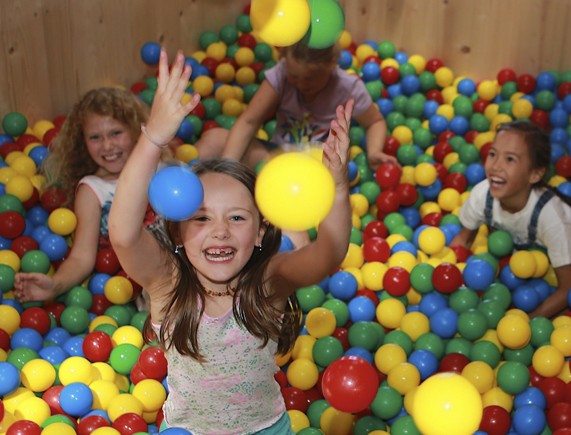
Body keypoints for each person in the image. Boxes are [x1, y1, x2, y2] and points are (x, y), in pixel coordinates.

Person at [108, 48, 352, 434]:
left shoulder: (267, 281)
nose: (219, 230)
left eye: (236, 218)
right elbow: (122, 233)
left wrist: (336, 191)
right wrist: (153, 137)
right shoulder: (169, 284)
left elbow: (328, 255)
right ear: (178, 232)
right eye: (201, 218)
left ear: (260, 231)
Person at [14, 87, 162, 303]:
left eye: (116, 133)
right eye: (95, 137)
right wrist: (54, 286)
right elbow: (82, 257)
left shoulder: (158, 168)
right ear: (82, 142)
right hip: (137, 284)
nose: (108, 146)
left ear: (136, 130)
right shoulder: (92, 190)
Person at [195, 40, 396, 171]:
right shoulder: (280, 75)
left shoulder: (348, 88)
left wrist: (374, 152)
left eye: (311, 78)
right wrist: (228, 170)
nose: (301, 84)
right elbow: (248, 121)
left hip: (320, 167)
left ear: (332, 65)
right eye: (294, 76)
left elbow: (374, 121)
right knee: (214, 139)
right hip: (277, 157)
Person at [451, 120, 571, 318]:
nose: (496, 166)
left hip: (547, 271)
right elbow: (462, 241)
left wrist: (526, 320)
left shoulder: (552, 218)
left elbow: (567, 288)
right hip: (513, 268)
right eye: (492, 154)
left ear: (534, 174)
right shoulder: (482, 195)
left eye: (510, 159)